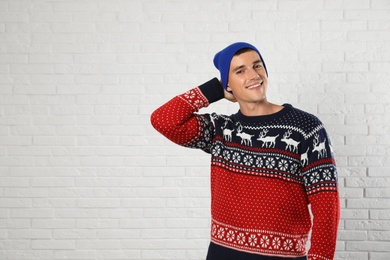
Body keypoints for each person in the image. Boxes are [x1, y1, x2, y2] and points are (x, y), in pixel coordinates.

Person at [150, 42, 340, 260]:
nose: (253, 75)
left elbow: (326, 202)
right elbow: (164, 120)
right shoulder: (221, 130)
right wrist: (213, 90)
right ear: (227, 84)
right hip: (222, 254)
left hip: (283, 256)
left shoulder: (305, 127)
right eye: (240, 71)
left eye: (257, 66)